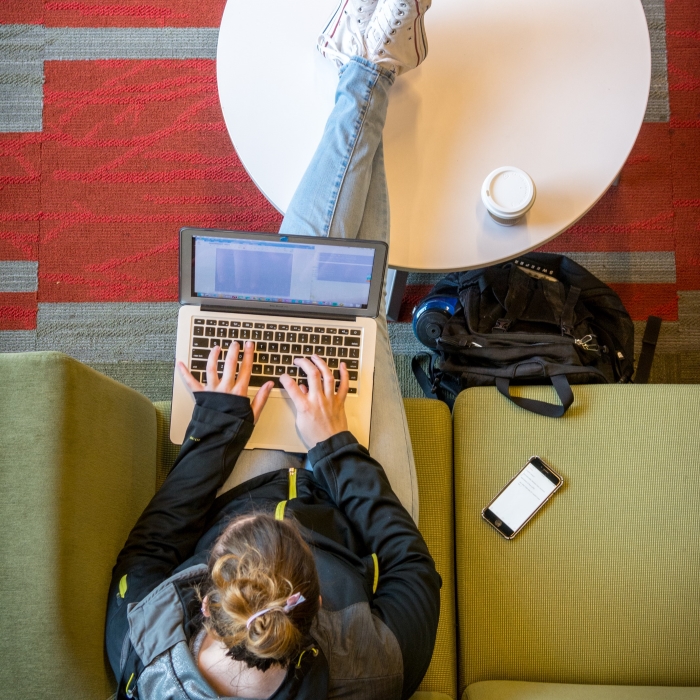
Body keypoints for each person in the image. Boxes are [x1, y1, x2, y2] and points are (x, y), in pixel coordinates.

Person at [105, 0, 439, 698]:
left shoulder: (146, 645)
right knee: (351, 320)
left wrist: (220, 421)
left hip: (239, 476)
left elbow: (154, 546)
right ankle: (367, 71)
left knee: (316, 303)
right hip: (349, 500)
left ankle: (369, 74)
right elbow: (408, 566)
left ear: (205, 604)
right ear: (319, 619)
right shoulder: (369, 670)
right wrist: (336, 448)